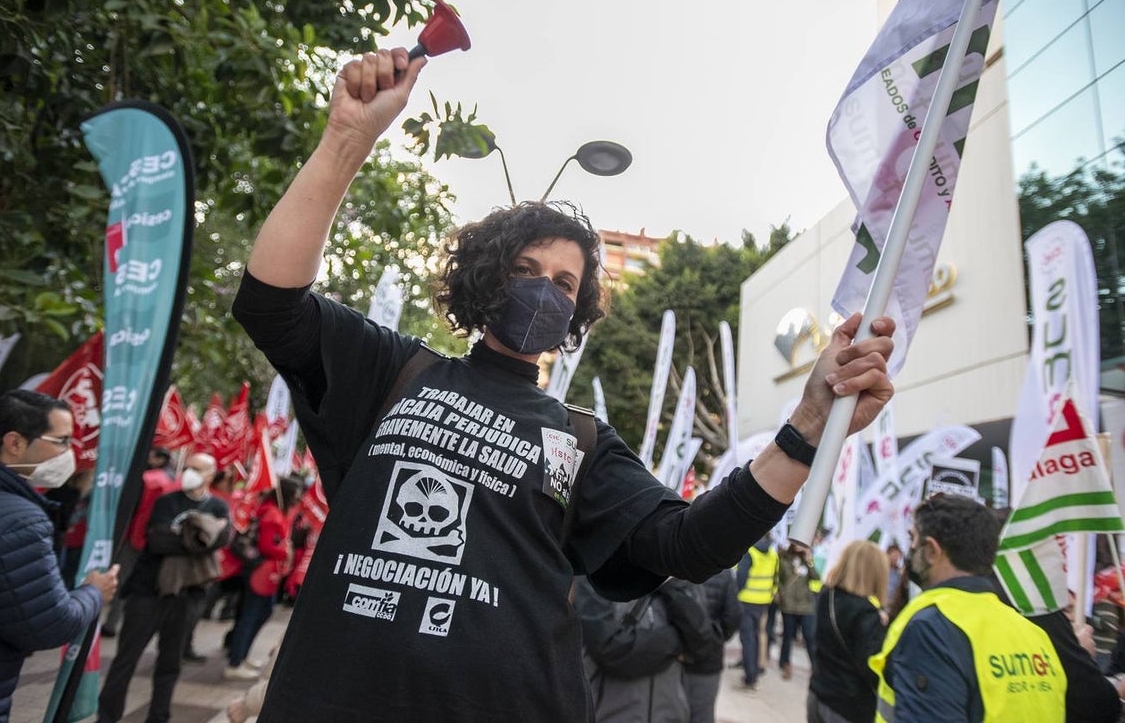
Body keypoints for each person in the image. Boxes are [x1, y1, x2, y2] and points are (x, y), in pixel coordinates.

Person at [231, 46, 896, 722]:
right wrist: (348, 138)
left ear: (576, 314)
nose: (543, 291)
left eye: (565, 283)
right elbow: (270, 304)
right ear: (487, 278)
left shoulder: (580, 441)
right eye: (525, 269)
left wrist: (810, 421)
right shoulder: (393, 373)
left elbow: (690, 543)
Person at [0, 390, 120, 721]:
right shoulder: (17, 519)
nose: (70, 453)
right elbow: (48, 626)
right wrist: (94, 592)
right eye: (62, 441)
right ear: (14, 443)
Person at [869, 494, 1067, 722]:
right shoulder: (1033, 634)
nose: (909, 549)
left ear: (933, 550)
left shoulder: (931, 628)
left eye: (913, 539)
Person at [97, 452, 230, 723]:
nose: (189, 472)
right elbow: (158, 541)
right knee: (126, 660)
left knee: (169, 664)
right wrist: (200, 539)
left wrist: (185, 537)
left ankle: (159, 717)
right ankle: (107, 717)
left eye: (196, 468)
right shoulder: (167, 502)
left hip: (187, 595)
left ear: (210, 474)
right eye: (187, 466)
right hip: (148, 592)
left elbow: (223, 538)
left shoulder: (218, 506)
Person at [575, 576, 714, 723]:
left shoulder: (683, 580)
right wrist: (679, 641)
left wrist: (668, 585)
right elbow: (609, 648)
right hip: (612, 715)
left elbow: (702, 642)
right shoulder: (595, 577)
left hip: (670, 714)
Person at [224, 476, 302, 680]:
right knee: (251, 615)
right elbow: (266, 546)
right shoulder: (271, 514)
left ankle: (241, 655)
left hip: (267, 575)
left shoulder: (276, 512)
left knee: (259, 613)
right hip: (260, 574)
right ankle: (235, 661)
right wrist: (285, 552)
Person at [807, 540, 890, 723]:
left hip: (819, 692)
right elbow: (871, 666)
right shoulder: (866, 612)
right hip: (848, 705)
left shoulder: (827, 595)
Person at [101, 445, 178, 637]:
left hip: (135, 537)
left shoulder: (149, 479)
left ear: (160, 459)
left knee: (120, 579)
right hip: (157, 543)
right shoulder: (175, 482)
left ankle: (110, 623)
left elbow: (131, 509)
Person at [680, 568, 739, 723]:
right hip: (708, 661)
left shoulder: (673, 568)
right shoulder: (724, 573)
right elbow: (733, 616)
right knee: (702, 714)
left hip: (676, 658)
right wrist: (714, 639)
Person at [736, 535, 778, 690]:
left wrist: (736, 593)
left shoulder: (750, 552)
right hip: (763, 601)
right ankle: (755, 667)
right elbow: (775, 578)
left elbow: (741, 577)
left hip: (747, 600)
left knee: (747, 638)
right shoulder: (773, 553)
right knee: (756, 635)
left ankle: (750, 676)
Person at [777, 542, 820, 680]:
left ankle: (815, 667)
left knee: (809, 636)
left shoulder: (806, 560)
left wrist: (809, 561)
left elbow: (816, 577)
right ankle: (785, 664)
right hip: (788, 605)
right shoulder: (783, 559)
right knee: (788, 636)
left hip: (806, 606)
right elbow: (778, 579)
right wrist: (782, 594)